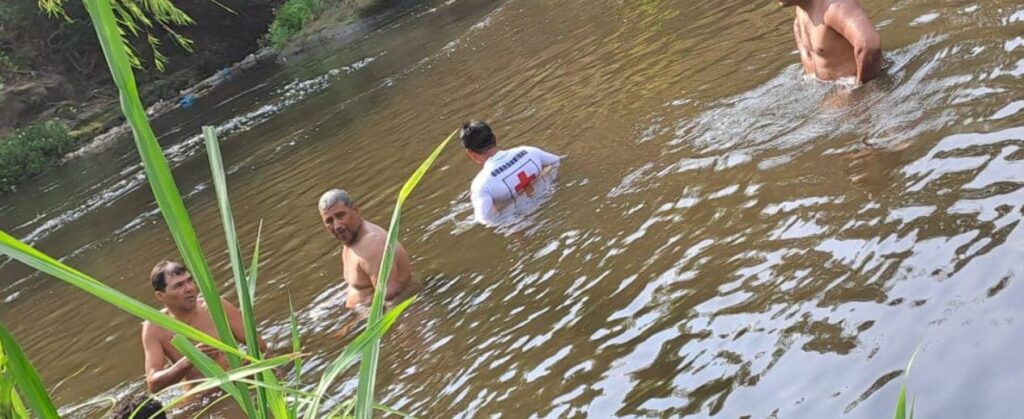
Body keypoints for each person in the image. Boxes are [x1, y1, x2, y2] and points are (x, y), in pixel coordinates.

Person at [141, 261, 267, 395]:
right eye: (178, 285)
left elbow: (260, 347)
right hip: (202, 396)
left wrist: (236, 374)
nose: (189, 288)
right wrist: (190, 359)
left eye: (189, 281)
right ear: (161, 296)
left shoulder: (215, 306)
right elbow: (153, 385)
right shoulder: (155, 328)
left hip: (240, 381)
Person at [318, 189, 413, 308]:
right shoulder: (350, 240)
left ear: (356, 210)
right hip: (361, 314)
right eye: (329, 221)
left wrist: (358, 325)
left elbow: (392, 298)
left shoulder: (371, 243)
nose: (337, 226)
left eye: (340, 215)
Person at [461, 121, 561, 225]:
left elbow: (485, 219)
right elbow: (557, 162)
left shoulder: (481, 184)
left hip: (521, 222)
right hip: (551, 203)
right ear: (495, 137)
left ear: (471, 154)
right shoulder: (529, 151)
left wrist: (503, 205)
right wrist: (538, 180)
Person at [781, 0, 882, 83]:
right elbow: (808, 60)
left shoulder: (836, 7)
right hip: (829, 92)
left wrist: (861, 91)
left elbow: (869, 45)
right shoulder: (801, 11)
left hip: (858, 94)